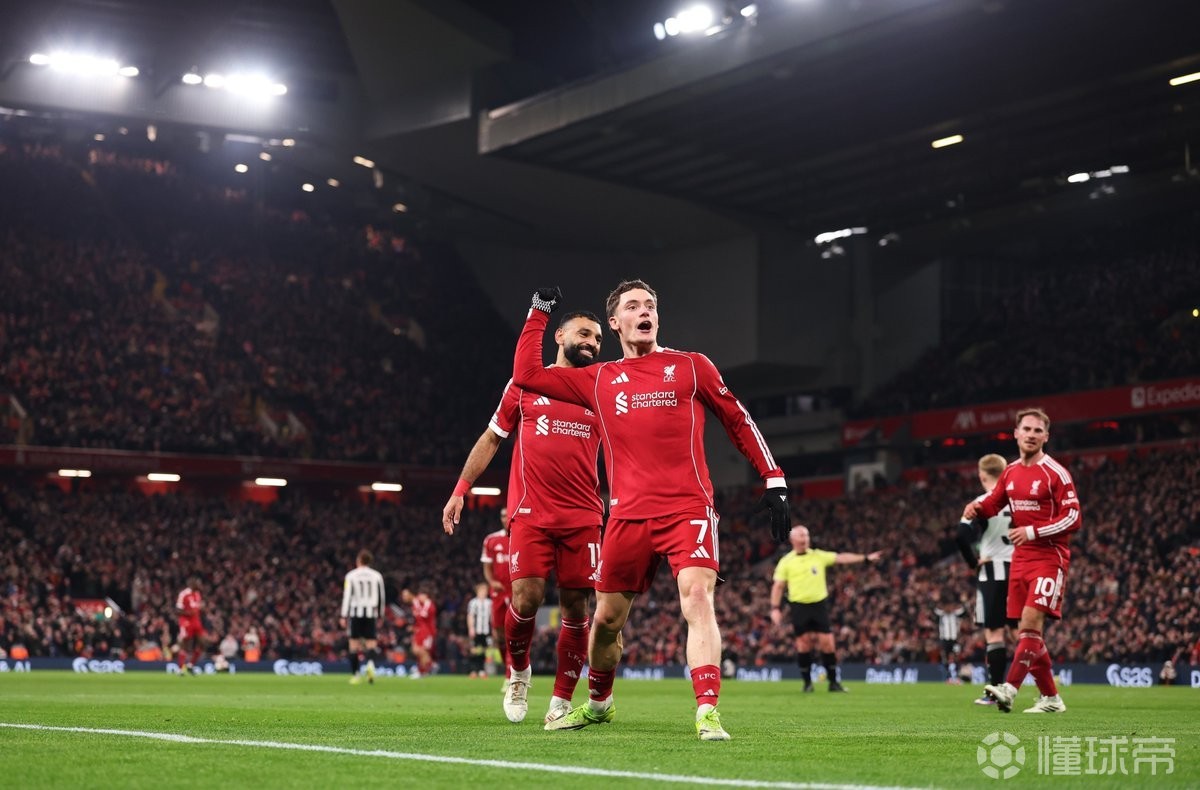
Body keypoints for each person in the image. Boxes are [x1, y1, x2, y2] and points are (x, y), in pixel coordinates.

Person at [513, 281, 791, 741]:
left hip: (688, 508)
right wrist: (539, 312)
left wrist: (773, 477)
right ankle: (599, 704)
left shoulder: (691, 366)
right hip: (626, 516)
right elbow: (526, 374)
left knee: (697, 597)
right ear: (615, 322)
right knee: (606, 621)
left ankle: (707, 711)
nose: (645, 311)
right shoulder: (598, 378)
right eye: (633, 306)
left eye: (651, 305)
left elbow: (737, 417)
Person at [442, 310, 605, 725]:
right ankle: (518, 674)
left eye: (598, 338)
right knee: (525, 599)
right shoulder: (525, 384)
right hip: (532, 514)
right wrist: (461, 490)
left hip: (584, 515)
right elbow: (491, 438)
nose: (592, 342)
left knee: (576, 609)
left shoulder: (601, 389)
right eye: (584, 333)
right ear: (560, 336)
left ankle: (561, 700)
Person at [964, 407, 1082, 714]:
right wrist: (976, 509)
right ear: (1016, 434)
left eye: (1037, 430)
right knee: (1026, 634)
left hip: (1049, 558)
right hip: (1020, 560)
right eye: (1026, 429)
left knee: (1029, 626)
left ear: (1046, 436)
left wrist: (1032, 531)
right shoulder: (1011, 472)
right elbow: (994, 503)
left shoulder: (1055, 473)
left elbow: (1073, 517)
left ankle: (1010, 688)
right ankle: (1051, 698)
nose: (1031, 435)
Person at [769, 525, 882, 692]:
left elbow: (841, 558)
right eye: (801, 536)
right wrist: (775, 608)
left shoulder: (818, 556)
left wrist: (865, 558)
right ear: (792, 540)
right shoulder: (786, 561)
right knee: (803, 644)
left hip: (819, 605)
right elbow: (778, 586)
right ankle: (807, 684)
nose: (804, 539)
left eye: (806, 535)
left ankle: (834, 683)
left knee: (828, 643)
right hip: (799, 606)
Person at [955, 453, 1015, 705]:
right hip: (1019, 570)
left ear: (982, 475)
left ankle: (995, 691)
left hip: (992, 570)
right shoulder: (1018, 501)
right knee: (1022, 632)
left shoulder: (981, 502)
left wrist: (972, 563)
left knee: (994, 633)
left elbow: (961, 535)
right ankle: (1047, 689)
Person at [341, 549, 386, 685]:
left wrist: (343, 615)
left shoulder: (351, 575)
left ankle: (356, 675)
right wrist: (381, 614)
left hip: (356, 613)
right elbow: (381, 597)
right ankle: (370, 664)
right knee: (371, 643)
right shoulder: (377, 576)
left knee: (353, 645)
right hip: (370, 613)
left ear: (359, 560)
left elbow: (347, 596)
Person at [478, 509, 512, 682]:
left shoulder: (523, 537)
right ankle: (509, 669)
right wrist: (492, 582)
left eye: (508, 515)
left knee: (515, 632)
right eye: (503, 516)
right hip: (498, 592)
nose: (505, 519)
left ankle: (511, 674)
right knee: (499, 634)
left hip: (517, 592)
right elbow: (487, 567)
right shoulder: (491, 540)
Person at [402, 587, 437, 677]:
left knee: (422, 651)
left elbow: (423, 616)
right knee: (416, 650)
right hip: (420, 630)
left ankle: (423, 670)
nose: (420, 597)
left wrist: (416, 605)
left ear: (426, 595)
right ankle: (429, 665)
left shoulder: (428, 605)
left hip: (427, 631)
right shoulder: (417, 604)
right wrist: (414, 627)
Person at [175, 576, 206, 674]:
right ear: (193, 584)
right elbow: (177, 610)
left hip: (196, 621)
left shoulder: (197, 594)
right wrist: (188, 613)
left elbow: (197, 607)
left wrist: (201, 608)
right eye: (198, 583)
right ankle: (181, 668)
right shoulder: (183, 594)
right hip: (186, 622)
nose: (200, 585)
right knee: (185, 644)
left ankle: (190, 665)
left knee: (203, 643)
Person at [933, 596, 967, 684]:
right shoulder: (941, 614)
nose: (949, 608)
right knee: (945, 658)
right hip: (945, 640)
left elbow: (963, 610)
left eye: (950, 606)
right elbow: (935, 610)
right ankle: (948, 677)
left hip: (955, 640)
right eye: (947, 606)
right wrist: (935, 601)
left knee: (957, 657)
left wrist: (963, 601)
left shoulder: (955, 614)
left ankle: (957, 676)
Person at [466, 582, 492, 678]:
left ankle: (481, 670)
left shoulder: (489, 603)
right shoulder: (473, 602)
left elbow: (492, 617)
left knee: (484, 651)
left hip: (486, 630)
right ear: (478, 591)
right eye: (482, 590)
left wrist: (493, 629)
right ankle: (473, 670)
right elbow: (470, 616)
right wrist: (471, 628)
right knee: (474, 650)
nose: (484, 592)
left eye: (485, 590)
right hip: (476, 630)